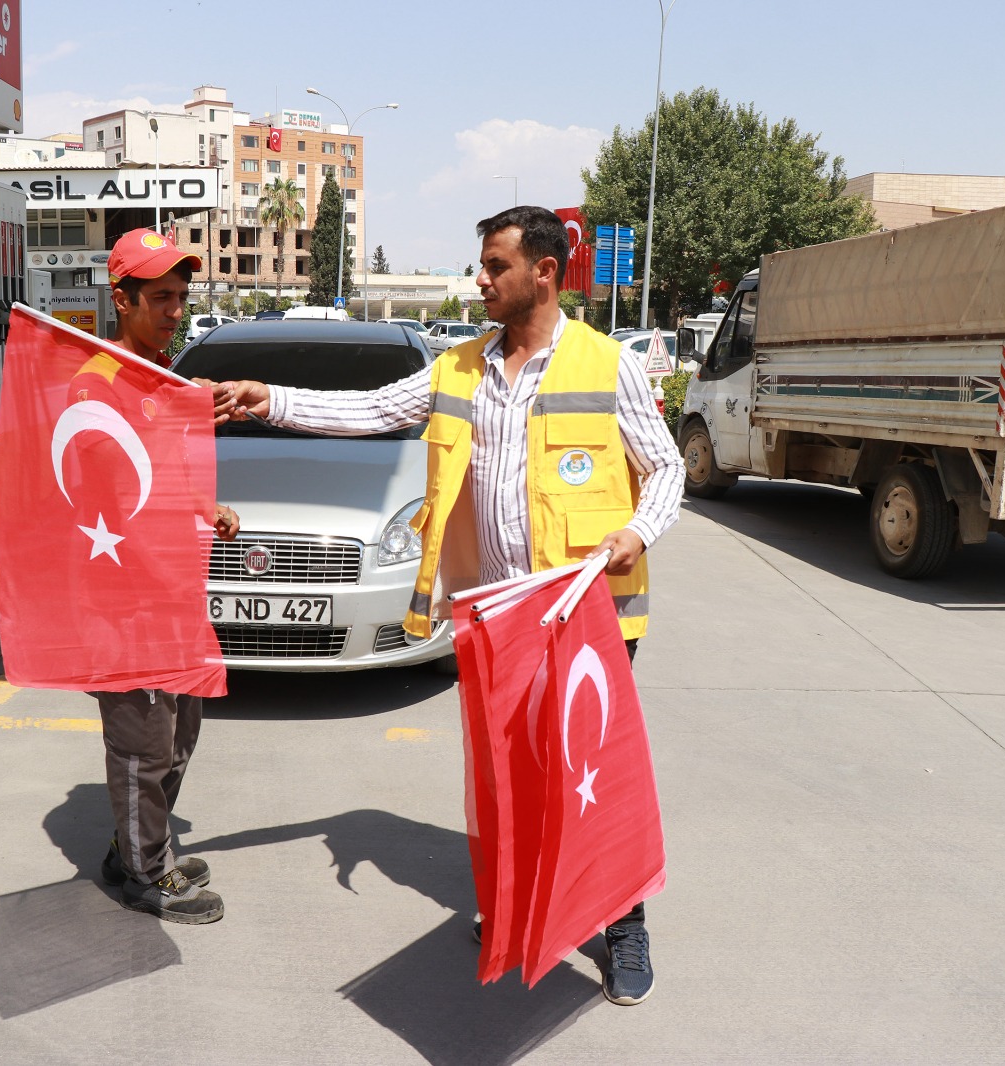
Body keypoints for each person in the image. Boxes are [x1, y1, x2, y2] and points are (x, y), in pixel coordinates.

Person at [222, 206, 686, 1003]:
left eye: (495, 265)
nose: (480, 279)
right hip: (495, 618)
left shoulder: (609, 366)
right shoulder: (459, 368)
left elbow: (668, 470)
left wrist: (637, 533)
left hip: (585, 619)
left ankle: (624, 926)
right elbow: (368, 410)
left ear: (545, 272)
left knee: (594, 780)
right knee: (512, 777)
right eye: (482, 264)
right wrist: (270, 399)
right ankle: (517, 906)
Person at [88, 228, 240, 924]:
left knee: (180, 732)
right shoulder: (96, 386)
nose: (175, 311)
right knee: (143, 743)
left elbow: (167, 478)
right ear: (121, 298)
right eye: (160, 298)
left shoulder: (162, 377)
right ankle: (145, 873)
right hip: (124, 600)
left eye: (181, 297)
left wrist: (210, 510)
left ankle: (138, 845)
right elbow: (103, 500)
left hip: (175, 591)